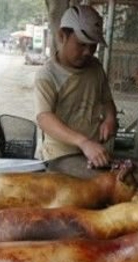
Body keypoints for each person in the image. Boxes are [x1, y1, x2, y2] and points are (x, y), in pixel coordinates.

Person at [34, 5, 118, 168]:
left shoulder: (95, 67)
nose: (88, 52)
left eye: (93, 46)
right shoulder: (48, 75)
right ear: (62, 36)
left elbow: (107, 100)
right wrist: (83, 142)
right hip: (59, 159)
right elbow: (44, 118)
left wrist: (110, 118)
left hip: (94, 156)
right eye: (81, 44)